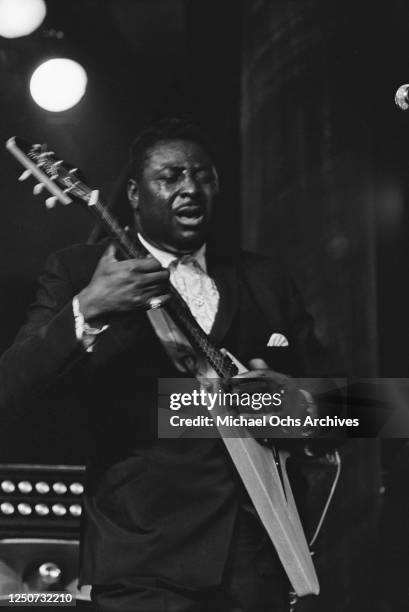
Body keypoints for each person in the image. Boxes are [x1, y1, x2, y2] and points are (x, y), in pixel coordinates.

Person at [0, 117, 330, 611]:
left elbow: (353, 411)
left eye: (203, 175)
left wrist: (300, 405)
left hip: (259, 556)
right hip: (142, 559)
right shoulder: (77, 270)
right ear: (134, 193)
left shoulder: (265, 279)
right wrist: (87, 308)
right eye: (170, 176)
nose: (190, 188)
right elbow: (12, 388)